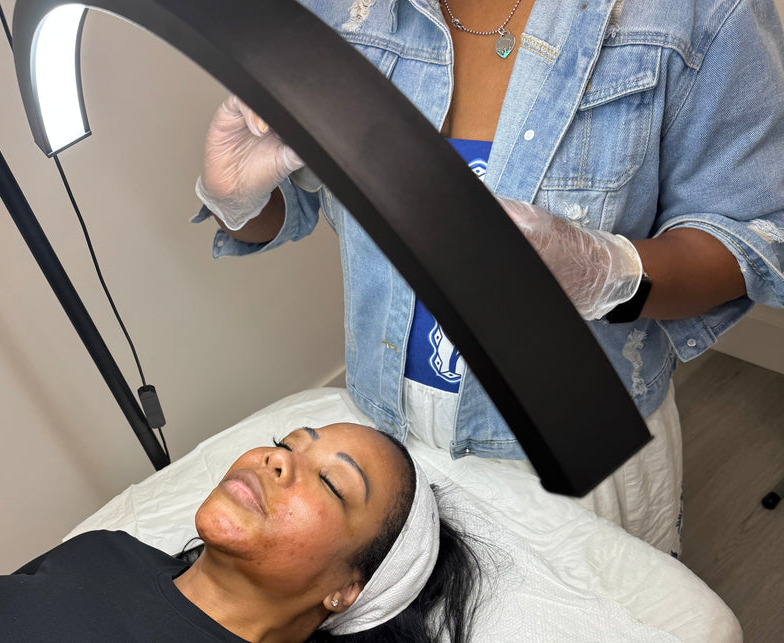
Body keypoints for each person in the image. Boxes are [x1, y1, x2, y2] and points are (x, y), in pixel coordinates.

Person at [191, 0, 784, 556]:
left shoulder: (700, 13)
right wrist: (236, 198)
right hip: (380, 433)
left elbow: (757, 234)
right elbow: (291, 202)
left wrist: (610, 271)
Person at [0, 423, 483, 643]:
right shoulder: (109, 548)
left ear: (348, 589)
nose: (276, 460)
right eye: (287, 444)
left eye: (331, 484)